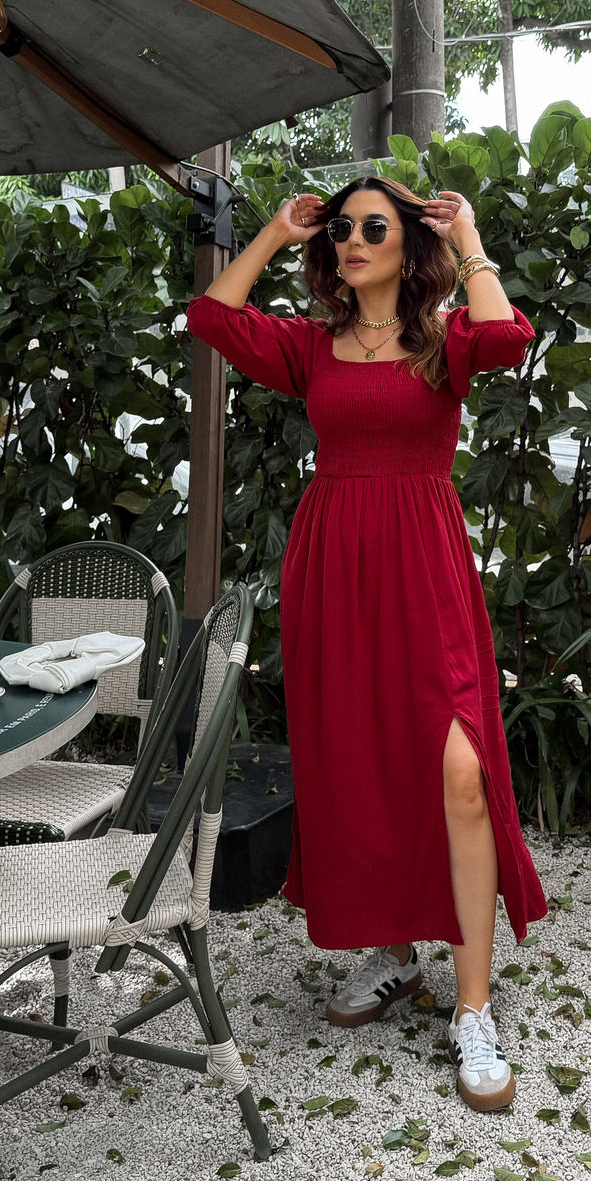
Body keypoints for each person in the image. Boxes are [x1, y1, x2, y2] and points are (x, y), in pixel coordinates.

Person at [187, 175, 547, 1111]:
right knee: (362, 762)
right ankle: (395, 953)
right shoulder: (312, 345)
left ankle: (474, 1008)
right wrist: (275, 231)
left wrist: (466, 234)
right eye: (341, 228)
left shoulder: (444, 340)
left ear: (406, 242)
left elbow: (509, 336)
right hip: (333, 573)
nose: (351, 239)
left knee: (459, 772)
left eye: (372, 226)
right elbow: (213, 318)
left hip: (424, 568)